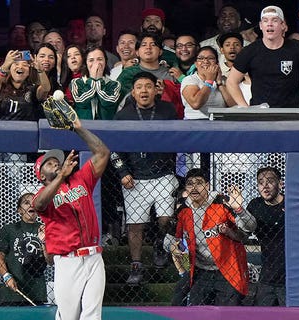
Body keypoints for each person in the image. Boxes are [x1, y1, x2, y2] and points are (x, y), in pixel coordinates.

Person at [32, 117, 110, 320]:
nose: (56, 164)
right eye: (49, 163)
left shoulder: (81, 179)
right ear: (41, 175)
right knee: (68, 317)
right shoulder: (42, 193)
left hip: (93, 256)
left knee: (93, 315)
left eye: (57, 162)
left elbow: (102, 153)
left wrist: (78, 128)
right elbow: (39, 205)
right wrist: (60, 177)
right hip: (68, 261)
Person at [111, 71, 178, 285]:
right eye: (139, 87)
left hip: (163, 173)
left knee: (166, 219)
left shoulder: (168, 110)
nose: (144, 91)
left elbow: (180, 138)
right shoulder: (123, 115)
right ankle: (136, 265)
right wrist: (123, 172)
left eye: (148, 86)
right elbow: (114, 149)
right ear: (133, 91)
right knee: (135, 225)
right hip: (135, 176)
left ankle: (160, 242)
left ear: (156, 89)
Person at [173, 168, 256, 305]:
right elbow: (174, 242)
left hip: (227, 271)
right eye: (190, 183)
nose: (194, 187)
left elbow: (251, 227)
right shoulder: (183, 210)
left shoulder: (221, 202)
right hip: (200, 271)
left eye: (199, 183)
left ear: (207, 185)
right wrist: (184, 268)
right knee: (197, 312)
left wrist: (239, 209)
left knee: (226, 314)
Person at [247, 166, 299, 306]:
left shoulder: (292, 203)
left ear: (280, 184)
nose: (265, 186)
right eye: (260, 182)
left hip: (292, 277)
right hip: (267, 275)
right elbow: (243, 233)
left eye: (270, 181)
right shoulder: (255, 205)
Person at [227, 5, 299, 108]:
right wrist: (245, 108)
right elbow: (231, 81)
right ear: (261, 25)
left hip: (292, 115)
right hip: (261, 115)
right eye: (265, 21)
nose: (269, 24)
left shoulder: (296, 49)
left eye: (274, 20)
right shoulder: (250, 51)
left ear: (282, 25)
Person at [0, 193, 48, 305]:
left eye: (34, 202)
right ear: (19, 210)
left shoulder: (44, 229)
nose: (31, 205)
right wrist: (7, 276)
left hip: (37, 290)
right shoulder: (9, 229)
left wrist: (44, 241)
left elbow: (50, 260)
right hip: (13, 291)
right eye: (26, 203)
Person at [0, 49, 50, 121]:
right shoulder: (1, 85)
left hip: (26, 130)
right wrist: (4, 66)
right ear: (9, 69)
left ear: (28, 72)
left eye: (24, 64)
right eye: (16, 64)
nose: (20, 67)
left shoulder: (33, 90)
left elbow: (45, 89)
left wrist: (40, 70)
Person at [181, 46, 234, 119]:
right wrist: (209, 80)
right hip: (194, 122)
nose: (205, 61)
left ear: (217, 63)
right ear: (196, 64)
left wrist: (219, 83)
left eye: (210, 58)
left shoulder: (224, 80)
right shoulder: (190, 80)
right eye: (201, 58)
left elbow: (234, 107)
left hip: (220, 122)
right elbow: (196, 104)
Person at [70, 46, 121, 120]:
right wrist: (92, 79)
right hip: (84, 127)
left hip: (107, 127)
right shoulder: (76, 82)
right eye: (91, 60)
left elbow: (108, 102)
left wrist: (99, 80)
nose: (96, 63)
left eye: (99, 59)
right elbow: (81, 101)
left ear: (105, 61)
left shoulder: (114, 84)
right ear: (86, 63)